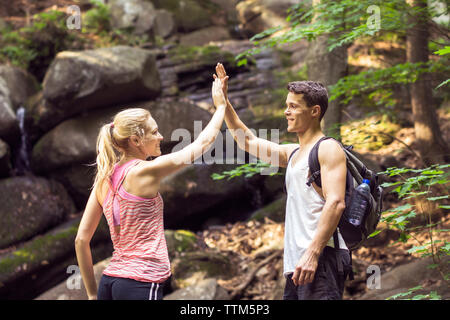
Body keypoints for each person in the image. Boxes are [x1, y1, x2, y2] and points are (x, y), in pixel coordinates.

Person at [75, 77, 227, 300]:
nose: (161, 137)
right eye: (154, 132)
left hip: (109, 283)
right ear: (136, 140)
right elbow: (201, 146)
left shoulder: (103, 180)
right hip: (140, 282)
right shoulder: (144, 171)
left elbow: (81, 240)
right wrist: (221, 106)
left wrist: (91, 294)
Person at [214, 63, 351, 300]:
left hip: (320, 258)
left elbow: (336, 202)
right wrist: (224, 102)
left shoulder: (328, 148)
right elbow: (246, 141)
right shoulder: (294, 153)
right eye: (286, 106)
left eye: (293, 106)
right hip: (297, 263)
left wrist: (313, 253)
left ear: (315, 111)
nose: (286, 112)